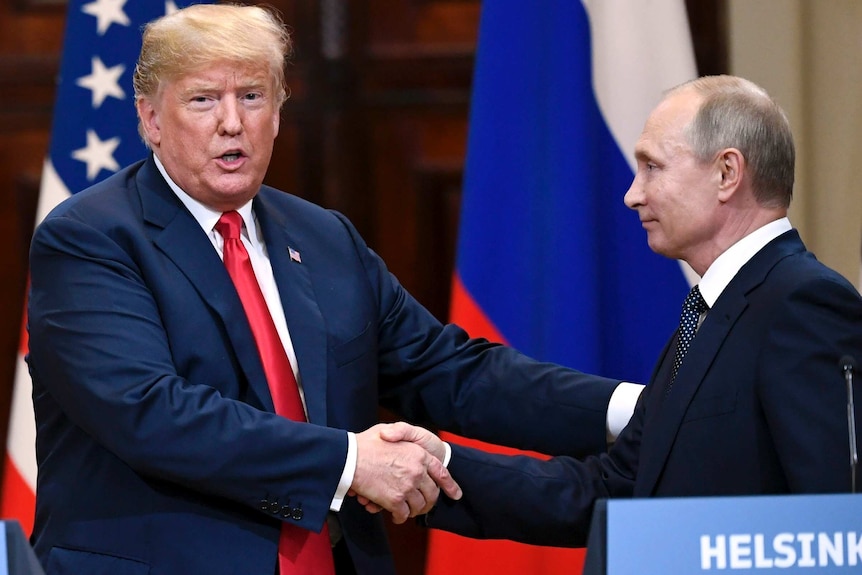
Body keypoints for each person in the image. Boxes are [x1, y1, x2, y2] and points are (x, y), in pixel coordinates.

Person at [26, 4, 639, 574]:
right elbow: (153, 414)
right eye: (203, 100)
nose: (232, 123)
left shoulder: (323, 238)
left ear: (279, 109)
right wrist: (352, 463)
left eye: (252, 96)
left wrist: (631, 408)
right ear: (151, 118)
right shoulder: (90, 239)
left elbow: (448, 371)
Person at [405, 75, 862, 546]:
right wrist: (438, 467)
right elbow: (615, 488)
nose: (632, 194)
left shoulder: (803, 304)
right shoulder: (712, 311)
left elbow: (834, 527)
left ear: (727, 173)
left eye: (652, 167)